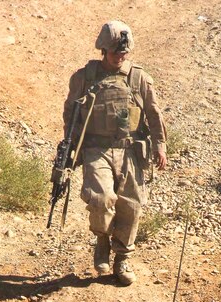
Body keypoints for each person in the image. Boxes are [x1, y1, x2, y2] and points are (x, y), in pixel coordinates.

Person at [63, 21, 167, 286]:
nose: (120, 58)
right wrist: (69, 147)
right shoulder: (84, 77)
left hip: (131, 149)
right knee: (100, 198)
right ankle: (101, 241)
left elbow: (154, 113)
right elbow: (71, 115)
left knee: (131, 206)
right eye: (115, 53)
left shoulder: (138, 78)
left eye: (124, 54)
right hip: (96, 148)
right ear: (103, 51)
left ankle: (122, 258)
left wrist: (160, 145)